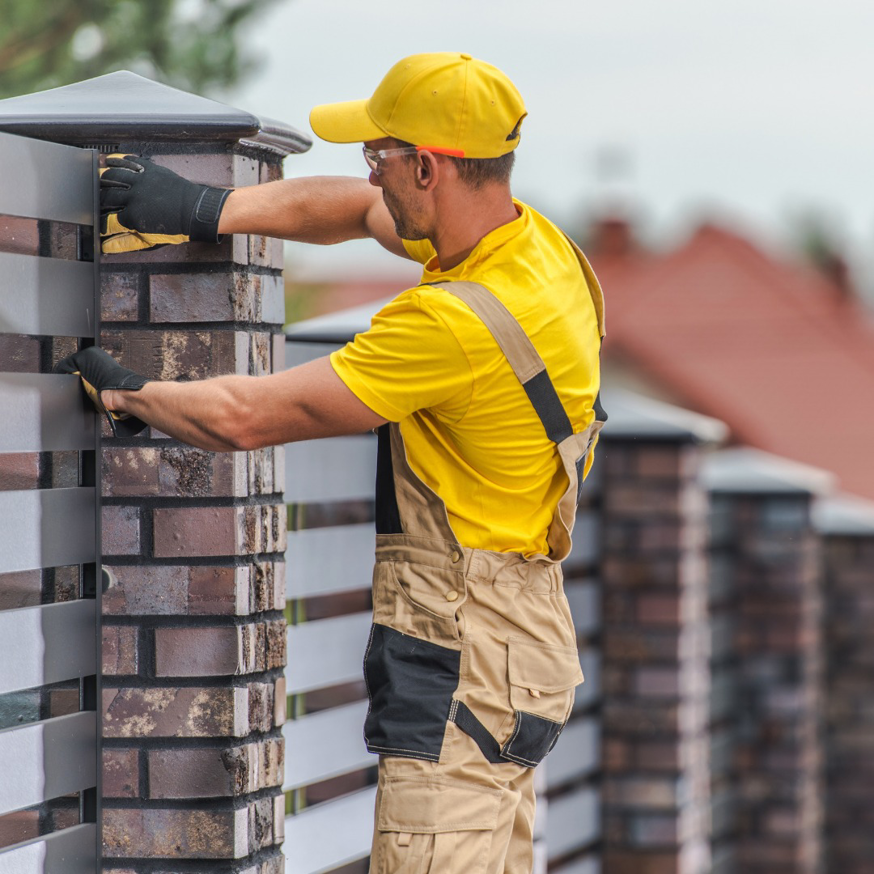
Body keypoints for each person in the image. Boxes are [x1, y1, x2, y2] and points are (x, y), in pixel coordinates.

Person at [59, 52, 606, 874]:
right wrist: (209, 207)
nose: (371, 175)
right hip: (520, 650)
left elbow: (249, 417)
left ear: (430, 167)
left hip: (459, 657)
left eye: (379, 157)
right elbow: (357, 214)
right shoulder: (534, 254)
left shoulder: (450, 324)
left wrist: (131, 393)